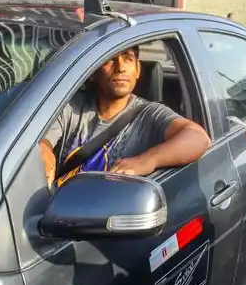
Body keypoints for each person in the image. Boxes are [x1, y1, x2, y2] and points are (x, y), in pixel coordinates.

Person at [40, 46, 210, 185]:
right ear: (92, 72)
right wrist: (44, 150)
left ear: (137, 70)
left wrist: (148, 160)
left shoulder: (149, 113)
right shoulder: (71, 106)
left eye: (128, 59)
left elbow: (198, 138)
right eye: (110, 60)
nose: (120, 68)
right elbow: (42, 140)